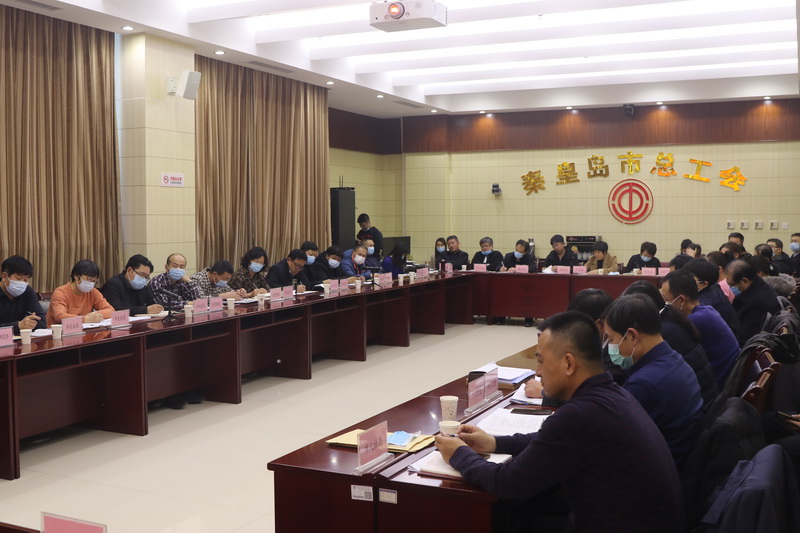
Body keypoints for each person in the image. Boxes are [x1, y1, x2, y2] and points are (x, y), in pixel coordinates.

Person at [436, 311, 684, 533]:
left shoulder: (581, 414)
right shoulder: (611, 393)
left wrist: (459, 454)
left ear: (568, 363)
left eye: (541, 361)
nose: (538, 371)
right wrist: (494, 442)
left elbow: (506, 482)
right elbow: (548, 442)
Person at [602, 294, 703, 467]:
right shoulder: (674, 359)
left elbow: (615, 443)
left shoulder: (645, 384)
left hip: (661, 470)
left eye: (611, 339)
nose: (609, 346)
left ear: (632, 336)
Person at [622, 281, 718, 407]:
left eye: (612, 339)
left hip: (701, 402)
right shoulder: (671, 318)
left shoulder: (662, 334)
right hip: (705, 398)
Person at [660, 270, 740, 390]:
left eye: (666, 300)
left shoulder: (696, 320)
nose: (665, 304)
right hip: (727, 375)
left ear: (681, 300)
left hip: (720, 384)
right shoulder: (706, 309)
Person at [726, 259, 782, 345]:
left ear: (744, 281)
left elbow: (745, 337)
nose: (730, 288)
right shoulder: (759, 285)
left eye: (731, 284)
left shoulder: (758, 304)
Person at [47, 259, 115, 325]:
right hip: (58, 331)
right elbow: (60, 316)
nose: (91, 283)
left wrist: (95, 316)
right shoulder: (61, 293)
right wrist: (85, 319)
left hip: (83, 329)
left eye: (94, 281)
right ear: (76, 276)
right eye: (88, 279)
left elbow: (111, 310)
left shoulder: (93, 292)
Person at [683, 257, 741, 333]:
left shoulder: (706, 305)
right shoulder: (713, 289)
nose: (683, 282)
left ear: (704, 284)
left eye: (689, 280)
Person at [0, 255, 46, 334]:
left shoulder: (27, 291)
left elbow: (42, 322)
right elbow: (20, 326)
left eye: (25, 280)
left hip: (21, 339)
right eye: (18, 278)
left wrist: (28, 323)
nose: (22, 283)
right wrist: (18, 326)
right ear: (4, 276)